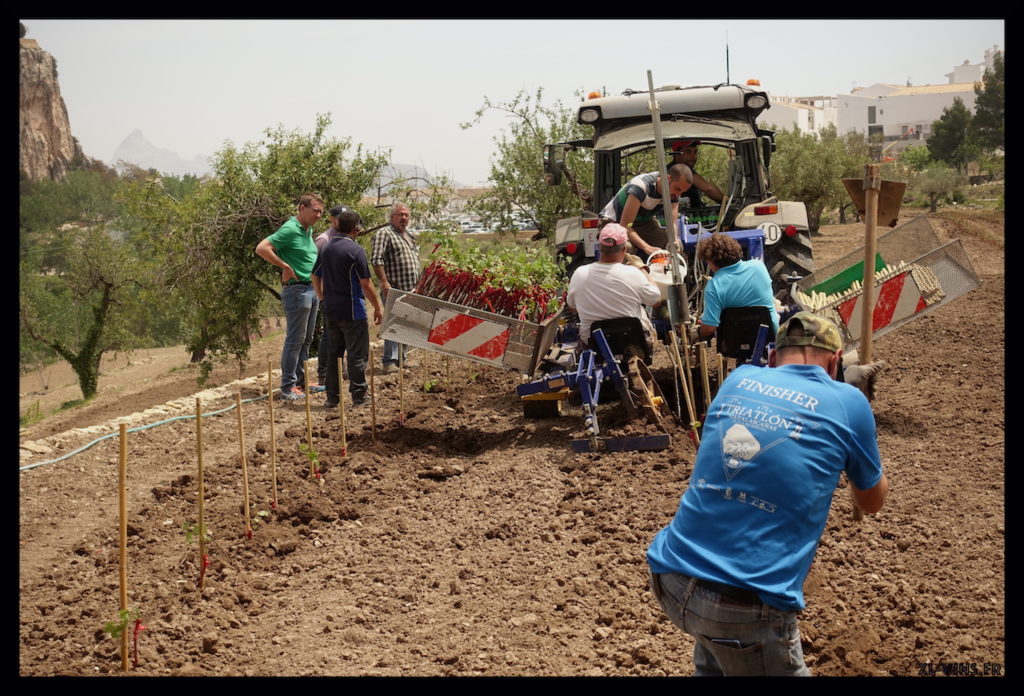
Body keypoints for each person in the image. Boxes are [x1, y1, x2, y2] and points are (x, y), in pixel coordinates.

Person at [646, 311, 889, 676]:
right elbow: (871, 502)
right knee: (734, 639)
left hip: (673, 578)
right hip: (744, 608)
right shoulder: (848, 403)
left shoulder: (739, 377)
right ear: (836, 362)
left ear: (773, 357)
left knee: (718, 654)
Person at [255, 193, 324, 401]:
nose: (319, 215)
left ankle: (301, 383)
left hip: (311, 290)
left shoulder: (307, 230)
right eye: (315, 211)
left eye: (321, 211)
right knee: (295, 339)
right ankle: (287, 387)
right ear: (302, 208)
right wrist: (284, 266)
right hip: (298, 290)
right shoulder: (290, 229)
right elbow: (262, 248)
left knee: (306, 340)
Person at [312, 208, 383, 409]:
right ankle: (359, 395)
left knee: (335, 354)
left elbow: (315, 275)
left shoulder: (325, 248)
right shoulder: (356, 251)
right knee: (356, 355)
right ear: (356, 229)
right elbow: (366, 284)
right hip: (353, 311)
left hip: (330, 310)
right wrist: (378, 307)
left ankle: (332, 398)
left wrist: (322, 297)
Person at [566, 223, 662, 353]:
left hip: (594, 344)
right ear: (624, 250)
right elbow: (656, 301)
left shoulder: (579, 273)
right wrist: (642, 269)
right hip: (635, 341)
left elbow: (572, 308)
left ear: (599, 247)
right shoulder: (633, 273)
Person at [599, 164, 693, 260]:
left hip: (641, 223)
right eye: (677, 189)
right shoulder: (641, 186)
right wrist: (646, 247)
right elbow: (626, 225)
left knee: (671, 244)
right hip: (615, 223)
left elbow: (671, 222)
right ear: (667, 179)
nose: (678, 194)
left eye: (682, 192)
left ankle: (665, 272)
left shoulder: (673, 194)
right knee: (626, 247)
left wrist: (675, 240)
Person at [695, 233, 779, 340]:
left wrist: (697, 332)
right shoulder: (759, 267)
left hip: (734, 346)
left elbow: (709, 328)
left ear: (711, 261)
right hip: (769, 338)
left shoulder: (714, 286)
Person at [370, 202, 420, 374]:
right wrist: (384, 281)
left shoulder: (409, 236)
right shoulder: (384, 233)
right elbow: (377, 259)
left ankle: (402, 359)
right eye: (400, 215)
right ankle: (389, 361)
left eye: (406, 215)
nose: (404, 218)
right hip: (394, 288)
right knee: (392, 323)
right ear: (392, 217)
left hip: (411, 289)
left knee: (406, 324)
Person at [311, 204, 350, 392]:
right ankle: (324, 374)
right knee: (328, 336)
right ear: (332, 219)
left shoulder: (347, 238)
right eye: (340, 218)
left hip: (344, 298)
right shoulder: (323, 241)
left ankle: (341, 372)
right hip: (330, 297)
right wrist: (321, 297)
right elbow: (315, 273)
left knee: (344, 335)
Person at [670, 139, 724, 208]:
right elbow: (708, 189)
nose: (693, 157)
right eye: (688, 152)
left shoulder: (672, 168)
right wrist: (727, 203)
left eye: (695, 152)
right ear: (677, 155)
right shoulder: (679, 170)